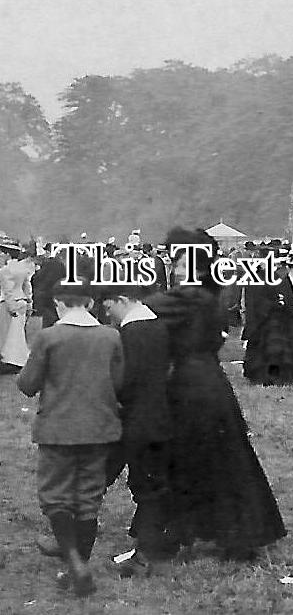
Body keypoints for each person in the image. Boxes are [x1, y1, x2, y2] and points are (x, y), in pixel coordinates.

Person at [147, 227, 286, 559]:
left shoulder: (190, 296)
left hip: (192, 386)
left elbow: (145, 311)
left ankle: (222, 534)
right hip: (207, 382)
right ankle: (231, 533)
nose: (174, 267)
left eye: (179, 261)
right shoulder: (205, 295)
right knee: (220, 459)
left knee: (205, 460)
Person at [17, 286, 124, 596]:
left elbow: (27, 384)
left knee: (55, 494)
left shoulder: (48, 337)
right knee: (89, 495)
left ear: (58, 302)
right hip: (99, 427)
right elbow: (118, 382)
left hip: (58, 429)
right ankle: (80, 565)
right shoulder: (111, 336)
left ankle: (74, 561)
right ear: (91, 303)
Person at [100, 286, 173, 576]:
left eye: (109, 307)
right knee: (144, 484)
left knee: (145, 486)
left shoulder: (134, 333)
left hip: (137, 420)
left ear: (122, 300)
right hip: (155, 416)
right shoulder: (156, 325)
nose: (108, 315)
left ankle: (144, 555)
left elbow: (127, 380)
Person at [243, 251, 293, 386]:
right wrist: (277, 303)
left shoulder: (272, 277)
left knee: (279, 350)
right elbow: (257, 301)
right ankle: (269, 377)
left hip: (276, 318)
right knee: (271, 351)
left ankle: (280, 376)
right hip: (268, 320)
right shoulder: (260, 278)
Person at [0, 241, 34, 373]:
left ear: (8, 254)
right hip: (22, 301)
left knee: (9, 333)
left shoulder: (5, 270)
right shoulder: (22, 269)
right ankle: (20, 358)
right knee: (18, 332)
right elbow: (27, 287)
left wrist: (11, 307)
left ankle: (11, 359)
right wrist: (29, 302)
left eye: (3, 252)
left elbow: (8, 291)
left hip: (11, 302)